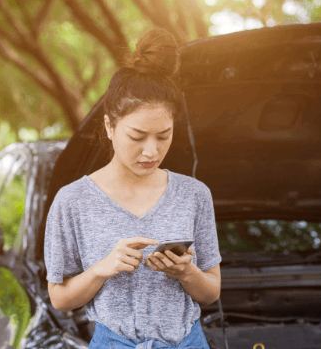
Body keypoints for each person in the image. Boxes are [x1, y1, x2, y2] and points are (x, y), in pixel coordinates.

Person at [43, 28, 222, 349]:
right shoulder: (72, 201)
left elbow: (212, 291)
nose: (151, 151)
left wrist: (186, 273)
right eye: (137, 137)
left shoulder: (195, 194)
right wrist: (100, 270)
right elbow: (59, 298)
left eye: (163, 136)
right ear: (110, 126)